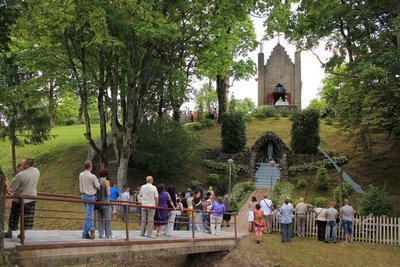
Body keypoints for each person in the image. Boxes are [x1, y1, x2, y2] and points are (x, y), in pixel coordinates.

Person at [4, 158, 40, 239]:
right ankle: (22, 234)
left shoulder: (21, 175)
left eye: (22, 163)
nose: (20, 165)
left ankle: (9, 232)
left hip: (19, 199)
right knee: (27, 217)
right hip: (31, 198)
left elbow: (11, 189)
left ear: (26, 165)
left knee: (14, 216)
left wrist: (6, 181)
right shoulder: (37, 170)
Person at [79, 160, 100, 239]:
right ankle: (85, 233)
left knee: (88, 214)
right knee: (89, 215)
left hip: (83, 196)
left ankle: (91, 228)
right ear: (90, 166)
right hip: (90, 196)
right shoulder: (92, 176)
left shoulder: (81, 174)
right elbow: (98, 187)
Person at [97, 167, 114, 239]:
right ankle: (108, 234)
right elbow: (108, 193)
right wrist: (109, 190)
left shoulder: (97, 181)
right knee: (107, 219)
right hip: (106, 203)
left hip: (98, 203)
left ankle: (101, 234)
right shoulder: (106, 182)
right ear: (106, 174)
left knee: (100, 219)